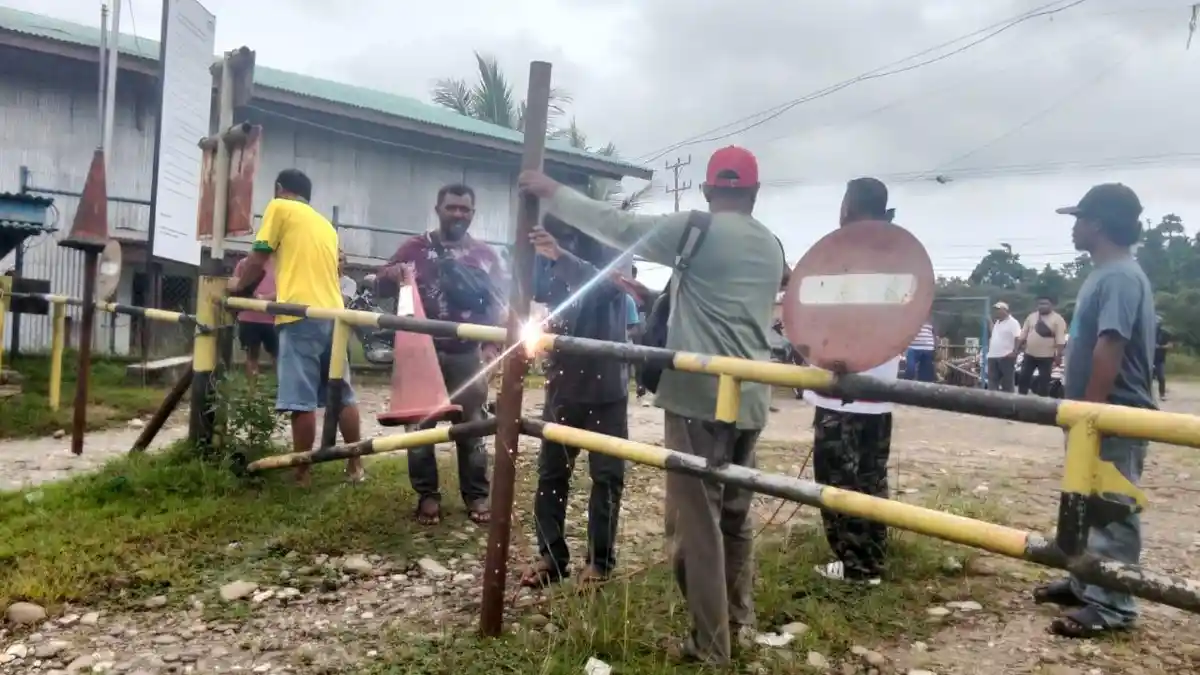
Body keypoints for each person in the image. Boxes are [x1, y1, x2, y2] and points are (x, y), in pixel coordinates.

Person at [519, 145, 784, 666]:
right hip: (752, 396)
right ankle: (738, 620)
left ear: (707, 190)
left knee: (695, 527)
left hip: (700, 399)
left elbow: (617, 225)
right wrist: (651, 296)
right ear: (754, 193)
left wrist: (550, 191)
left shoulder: (696, 229)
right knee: (734, 518)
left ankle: (710, 646)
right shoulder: (771, 245)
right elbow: (723, 304)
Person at [1034, 183, 1155, 638]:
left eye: (1079, 219)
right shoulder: (1105, 273)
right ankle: (1085, 581)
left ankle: (1113, 604)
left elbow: (1112, 342)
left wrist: (1091, 412)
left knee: (1111, 507)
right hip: (1096, 410)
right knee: (1083, 500)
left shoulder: (1120, 275)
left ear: (1098, 224)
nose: (1075, 228)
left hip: (1115, 411)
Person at [378, 183, 503, 527]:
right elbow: (379, 284)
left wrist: (492, 345)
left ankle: (476, 494)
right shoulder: (415, 248)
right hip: (421, 353)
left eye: (465, 209)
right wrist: (393, 274)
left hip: (467, 354)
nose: (458, 214)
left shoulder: (486, 256)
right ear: (438, 210)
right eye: (452, 208)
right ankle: (427, 496)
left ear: (473, 214)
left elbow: (498, 304)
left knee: (472, 426)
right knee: (420, 427)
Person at [228, 169, 363, 485]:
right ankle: (355, 466)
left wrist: (239, 289)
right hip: (334, 315)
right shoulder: (325, 225)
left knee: (300, 399)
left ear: (279, 188)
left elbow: (258, 258)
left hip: (300, 315)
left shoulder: (280, 207)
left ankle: (302, 473)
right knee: (342, 393)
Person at [520, 217, 629, 589]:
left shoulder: (611, 247)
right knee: (552, 473)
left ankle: (600, 562)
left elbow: (608, 286)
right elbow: (534, 297)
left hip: (606, 387)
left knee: (606, 477)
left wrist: (560, 255)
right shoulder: (545, 256)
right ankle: (551, 556)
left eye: (567, 235)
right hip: (562, 383)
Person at [805, 177, 902, 587]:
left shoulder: (840, 256)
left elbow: (820, 317)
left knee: (838, 481)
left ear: (848, 207)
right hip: (881, 390)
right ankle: (872, 560)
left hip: (841, 390)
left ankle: (854, 567)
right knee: (872, 478)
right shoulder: (897, 256)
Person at [232, 255, 277, 378]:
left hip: (272, 318)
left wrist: (263, 298)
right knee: (251, 355)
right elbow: (234, 285)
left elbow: (283, 290)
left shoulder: (279, 265)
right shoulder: (244, 263)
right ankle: (252, 385)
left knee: (278, 355)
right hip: (248, 317)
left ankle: (280, 385)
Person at [1017, 296, 1068, 396]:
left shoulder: (1058, 319)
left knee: (1044, 380)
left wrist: (1058, 356)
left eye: (1045, 304)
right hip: (1029, 354)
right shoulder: (1031, 317)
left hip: (1047, 356)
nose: (1042, 306)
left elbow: (1060, 339)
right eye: (1040, 304)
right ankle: (1020, 400)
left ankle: (1042, 402)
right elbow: (1023, 334)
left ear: (1051, 305)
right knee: (1023, 377)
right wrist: (1016, 349)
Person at [986, 302, 1021, 392]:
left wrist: (1015, 352)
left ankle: (1009, 399)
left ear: (1005, 310)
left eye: (999, 309)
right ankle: (993, 399)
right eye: (996, 310)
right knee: (992, 381)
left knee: (1007, 382)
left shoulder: (1013, 322)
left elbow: (1018, 337)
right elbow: (994, 333)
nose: (996, 312)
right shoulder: (998, 322)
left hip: (1006, 356)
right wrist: (989, 321)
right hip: (993, 356)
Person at [1154, 316, 1171, 401]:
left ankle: (1162, 394)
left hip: (1160, 359)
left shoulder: (1165, 333)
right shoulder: (1148, 332)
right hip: (1149, 357)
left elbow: (1170, 345)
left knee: (1161, 377)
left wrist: (1159, 347)